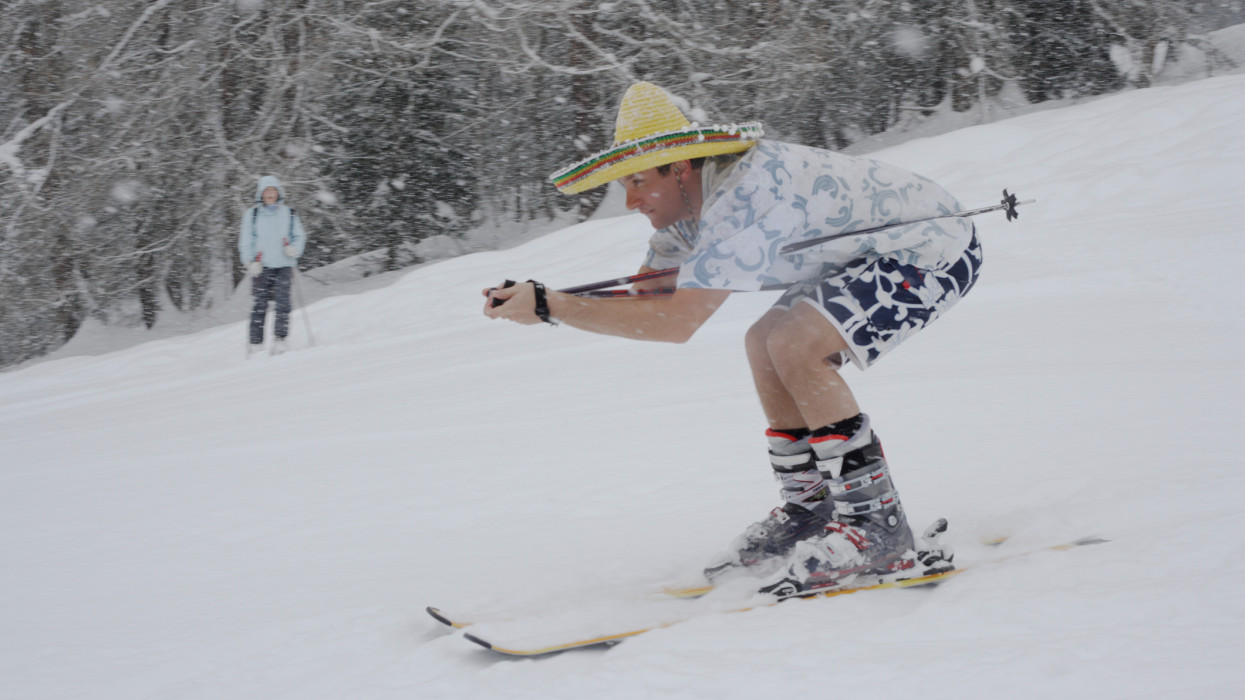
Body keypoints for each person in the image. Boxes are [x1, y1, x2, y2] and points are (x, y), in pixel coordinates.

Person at [483, 82, 982, 595]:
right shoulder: (686, 215)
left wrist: (551, 307)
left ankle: (877, 527)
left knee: (793, 343)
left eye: (637, 182)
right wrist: (542, 299)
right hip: (872, 257)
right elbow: (645, 302)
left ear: (679, 169)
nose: (630, 200)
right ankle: (812, 510)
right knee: (762, 341)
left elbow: (677, 323)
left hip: (933, 250)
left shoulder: (745, 195)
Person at [238, 175, 306, 357]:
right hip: (261, 267)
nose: (270, 194)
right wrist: (248, 262)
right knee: (259, 306)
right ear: (261, 193)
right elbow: (245, 241)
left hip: (284, 264)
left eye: (273, 191)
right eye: (267, 191)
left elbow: (299, 236)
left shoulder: (289, 213)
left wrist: (295, 249)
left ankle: (281, 340)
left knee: (283, 304)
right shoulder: (252, 215)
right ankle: (255, 345)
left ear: (278, 193)